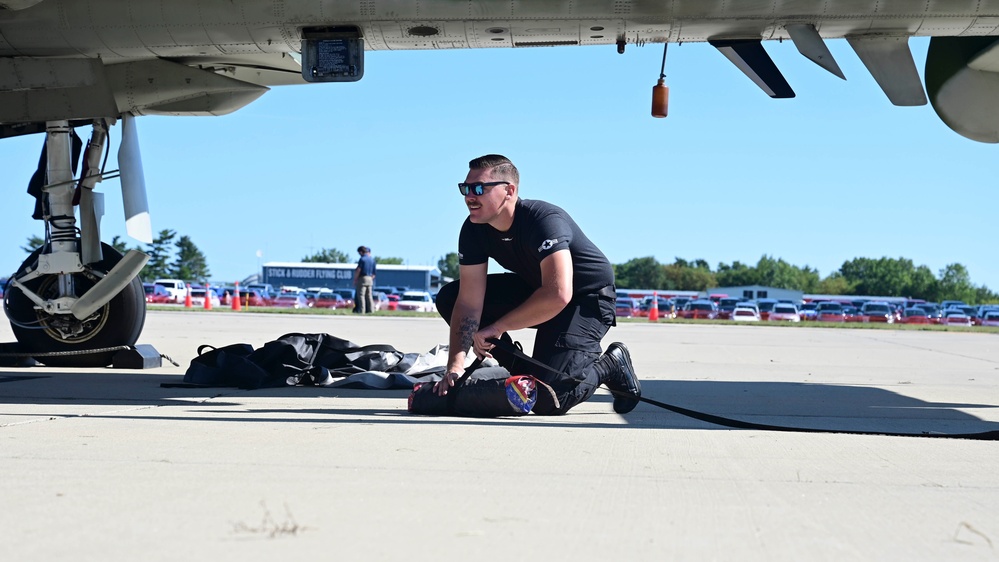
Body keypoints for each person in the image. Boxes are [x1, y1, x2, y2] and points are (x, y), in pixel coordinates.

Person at [432, 154, 641, 415]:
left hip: (586, 299)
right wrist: (455, 366)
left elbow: (558, 293)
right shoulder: (474, 229)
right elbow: (468, 301)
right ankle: (524, 373)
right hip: (538, 291)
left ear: (509, 190)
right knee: (449, 298)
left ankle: (610, 364)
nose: (469, 196)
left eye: (478, 189)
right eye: (465, 189)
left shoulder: (543, 220)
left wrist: (498, 327)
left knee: (549, 400)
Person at [353, 245, 376, 314]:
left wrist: (355, 279)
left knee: (361, 295)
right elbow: (374, 273)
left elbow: (358, 270)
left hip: (363, 278)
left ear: (361, 252)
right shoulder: (372, 260)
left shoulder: (362, 259)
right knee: (369, 295)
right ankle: (371, 310)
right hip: (370, 278)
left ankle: (361, 310)